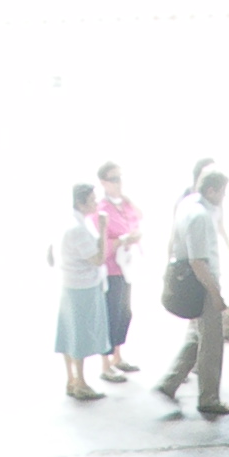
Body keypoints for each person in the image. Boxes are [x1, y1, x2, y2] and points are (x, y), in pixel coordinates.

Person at [155, 170, 229, 417]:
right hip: (203, 282)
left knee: (196, 336)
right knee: (211, 342)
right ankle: (209, 397)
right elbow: (198, 261)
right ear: (212, 191)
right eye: (223, 192)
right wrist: (216, 294)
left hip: (194, 280)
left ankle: (170, 381)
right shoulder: (200, 216)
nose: (224, 197)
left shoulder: (187, 203)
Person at [53, 183, 112, 400]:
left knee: (69, 332)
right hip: (82, 286)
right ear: (81, 202)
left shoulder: (70, 222)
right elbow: (98, 258)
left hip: (70, 283)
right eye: (92, 200)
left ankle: (72, 379)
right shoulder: (78, 228)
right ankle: (80, 382)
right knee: (79, 335)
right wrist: (104, 229)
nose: (96, 203)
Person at [95, 161, 141, 377]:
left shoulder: (123, 204)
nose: (119, 183)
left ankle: (117, 355)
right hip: (110, 268)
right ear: (103, 182)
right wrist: (123, 239)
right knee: (110, 315)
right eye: (114, 179)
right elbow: (101, 245)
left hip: (126, 267)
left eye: (120, 178)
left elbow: (139, 216)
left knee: (124, 313)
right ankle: (105, 364)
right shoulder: (101, 210)